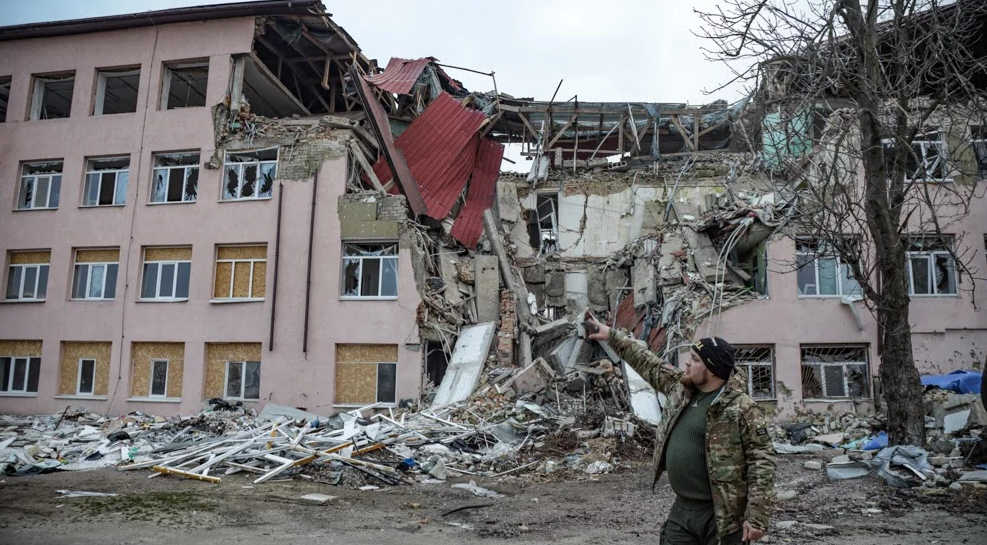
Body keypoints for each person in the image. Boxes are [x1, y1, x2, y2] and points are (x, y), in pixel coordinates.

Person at [586, 317, 776, 545]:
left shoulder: (741, 408)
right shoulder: (681, 388)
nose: (687, 363)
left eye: (694, 360)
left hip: (724, 517)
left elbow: (762, 462)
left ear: (713, 371)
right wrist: (612, 336)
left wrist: (756, 517)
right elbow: (650, 363)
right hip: (683, 510)